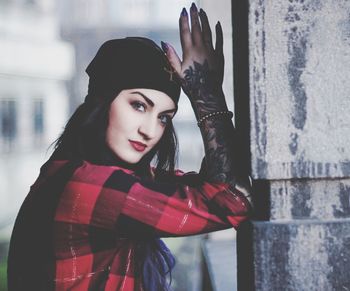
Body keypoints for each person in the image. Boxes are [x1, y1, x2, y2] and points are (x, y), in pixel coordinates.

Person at [7, 3, 252, 291]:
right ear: (103, 101)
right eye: (138, 105)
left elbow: (213, 188)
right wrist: (206, 95)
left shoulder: (81, 172)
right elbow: (235, 200)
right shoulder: (88, 186)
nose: (149, 130)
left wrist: (204, 91)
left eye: (163, 118)